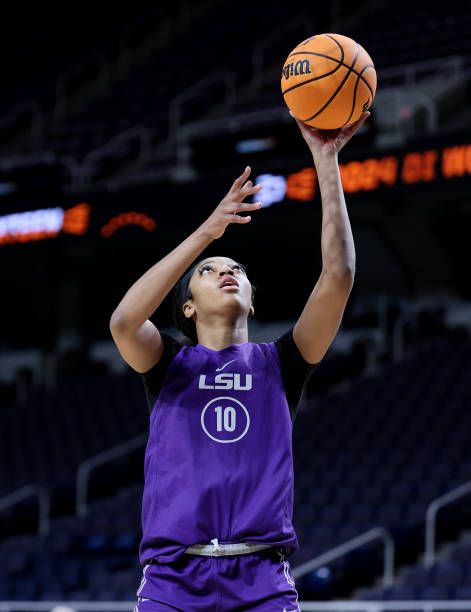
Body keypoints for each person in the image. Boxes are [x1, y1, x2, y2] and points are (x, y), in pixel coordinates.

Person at [109, 110, 370, 611]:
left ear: (251, 300)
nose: (226, 271)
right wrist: (206, 235)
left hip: (261, 580)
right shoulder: (167, 366)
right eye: (209, 272)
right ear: (186, 306)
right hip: (173, 581)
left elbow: (339, 277)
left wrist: (326, 158)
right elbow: (123, 322)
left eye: (236, 269)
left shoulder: (281, 364)